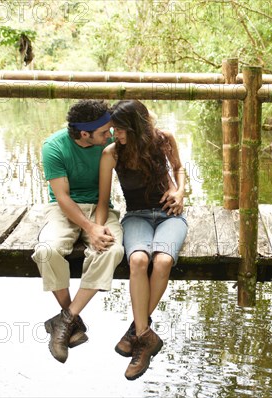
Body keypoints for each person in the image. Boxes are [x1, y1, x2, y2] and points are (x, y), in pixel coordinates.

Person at [96, 99, 187, 381]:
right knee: (138, 259)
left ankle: (138, 333)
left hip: (170, 216)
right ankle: (145, 336)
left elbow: (179, 169)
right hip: (136, 216)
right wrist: (96, 230)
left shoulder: (163, 140)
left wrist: (181, 192)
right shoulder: (112, 154)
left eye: (120, 129)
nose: (114, 134)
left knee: (162, 261)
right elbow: (103, 201)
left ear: (135, 128)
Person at [32, 99, 124, 364]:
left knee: (113, 250)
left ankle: (64, 321)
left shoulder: (109, 146)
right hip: (65, 210)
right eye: (105, 132)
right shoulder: (53, 147)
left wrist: (99, 226)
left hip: (100, 208)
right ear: (85, 134)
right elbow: (62, 198)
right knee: (46, 251)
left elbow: (105, 197)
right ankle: (71, 320)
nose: (110, 135)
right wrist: (89, 228)